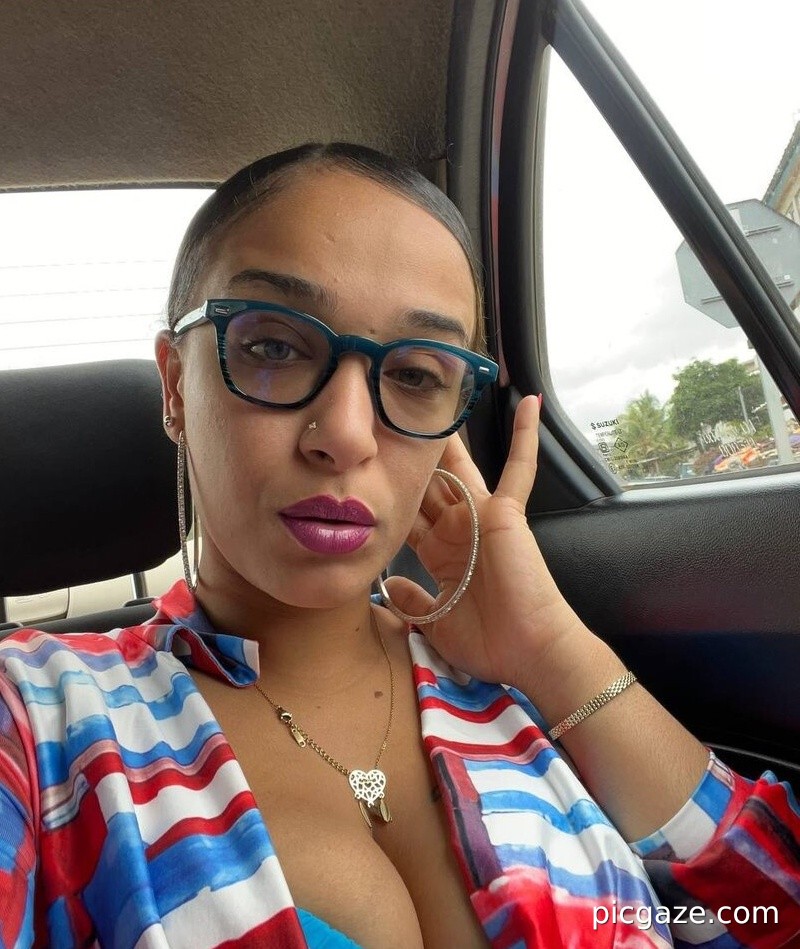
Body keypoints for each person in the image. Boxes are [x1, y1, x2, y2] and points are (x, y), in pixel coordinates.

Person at [1, 143, 798, 949]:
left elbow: (770, 915)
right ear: (176, 386)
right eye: (274, 347)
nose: (347, 434)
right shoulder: (39, 720)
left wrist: (553, 650)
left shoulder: (512, 684)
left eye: (416, 375)